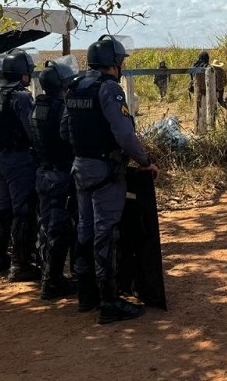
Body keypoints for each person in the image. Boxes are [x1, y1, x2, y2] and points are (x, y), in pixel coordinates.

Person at [62, 35, 159, 323]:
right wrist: (145, 162)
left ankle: (86, 296)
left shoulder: (75, 87)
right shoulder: (109, 89)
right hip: (104, 170)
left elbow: (64, 130)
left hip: (80, 167)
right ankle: (109, 302)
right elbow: (125, 134)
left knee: (85, 229)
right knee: (106, 233)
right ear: (114, 64)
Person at [0, 48, 39, 281]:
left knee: (3, 209)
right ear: (22, 73)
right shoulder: (21, 97)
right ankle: (20, 264)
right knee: (22, 210)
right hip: (19, 159)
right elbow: (32, 131)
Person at [30, 57, 78, 300]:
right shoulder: (62, 109)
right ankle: (53, 282)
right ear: (62, 84)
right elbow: (71, 138)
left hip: (43, 173)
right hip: (60, 174)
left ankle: (47, 275)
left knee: (46, 226)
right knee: (61, 229)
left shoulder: (38, 106)